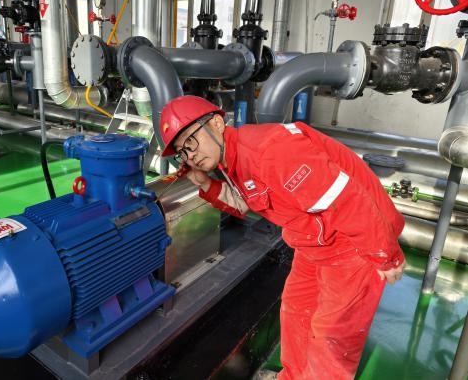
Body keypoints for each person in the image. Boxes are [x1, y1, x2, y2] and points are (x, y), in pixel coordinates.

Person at [159, 95, 406, 379]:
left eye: (191, 142)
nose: (190, 156)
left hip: (353, 242)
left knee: (331, 337)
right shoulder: (232, 160)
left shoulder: (269, 151)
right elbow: (246, 203)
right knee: (296, 310)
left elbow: (348, 201)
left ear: (216, 123)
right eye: (182, 152)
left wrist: (385, 255)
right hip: (314, 242)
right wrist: (206, 185)